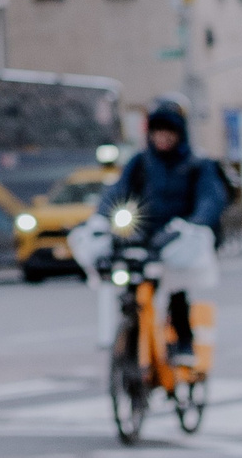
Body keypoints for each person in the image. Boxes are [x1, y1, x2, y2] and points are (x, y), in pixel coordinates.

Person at [84, 99, 230, 357]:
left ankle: (184, 342)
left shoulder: (197, 163)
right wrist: (101, 217)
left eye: (168, 132)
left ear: (179, 134)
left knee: (176, 289)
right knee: (131, 284)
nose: (162, 138)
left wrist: (195, 224)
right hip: (144, 234)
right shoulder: (140, 162)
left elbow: (211, 199)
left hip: (178, 235)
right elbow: (117, 191)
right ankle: (130, 337)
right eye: (157, 132)